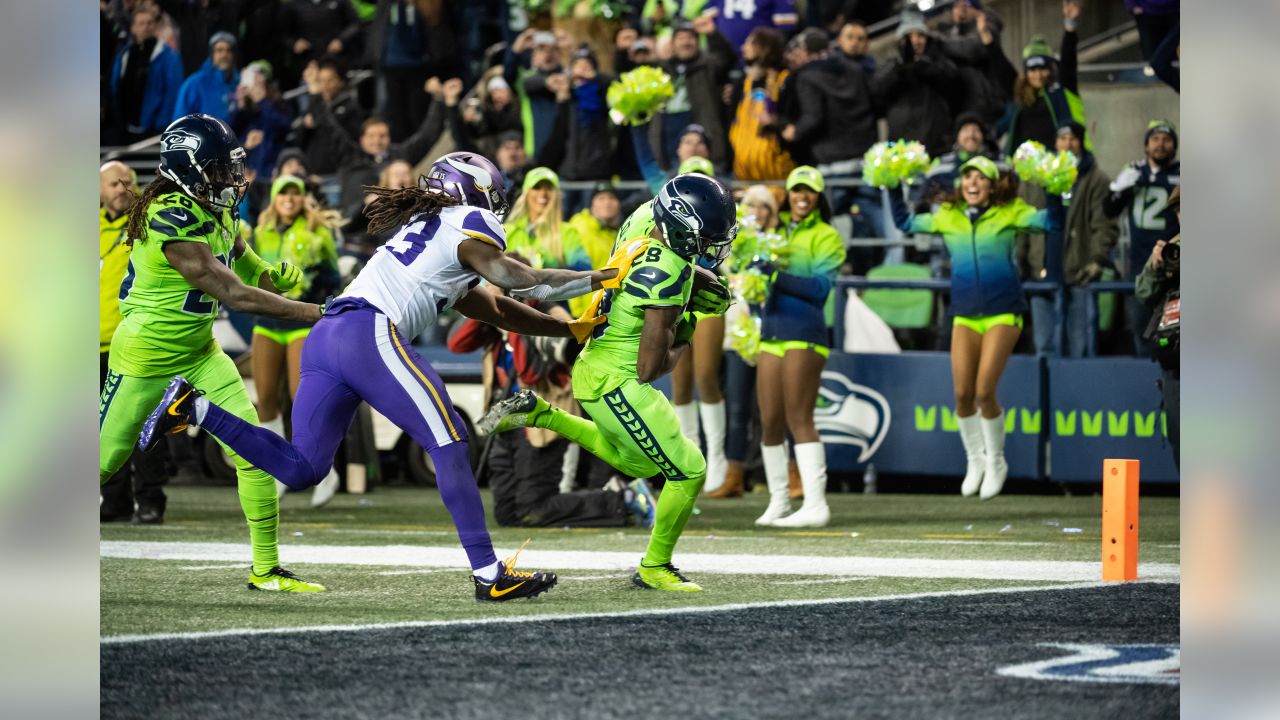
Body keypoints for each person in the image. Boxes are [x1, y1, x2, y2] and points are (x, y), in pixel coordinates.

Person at [140, 151, 624, 602]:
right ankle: (489, 573)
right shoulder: (467, 222)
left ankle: (194, 408)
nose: (497, 203)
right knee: (450, 438)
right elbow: (522, 280)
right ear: (471, 193)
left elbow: (501, 309)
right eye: (492, 192)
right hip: (367, 332)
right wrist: (605, 277)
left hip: (328, 337)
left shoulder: (434, 233)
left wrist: (567, 327)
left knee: (302, 468)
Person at [479, 173, 738, 592]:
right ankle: (655, 566)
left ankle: (542, 414)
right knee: (689, 471)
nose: (714, 244)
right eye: (706, 235)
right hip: (617, 379)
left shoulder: (642, 219)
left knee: (637, 463)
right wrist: (689, 323)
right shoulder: (669, 273)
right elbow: (650, 369)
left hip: (596, 363)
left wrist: (691, 283)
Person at [101, 114, 326, 592]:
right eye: (220, 169)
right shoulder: (169, 214)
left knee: (252, 450)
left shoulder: (213, 204)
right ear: (187, 168)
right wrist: (312, 312)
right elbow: (232, 292)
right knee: (103, 462)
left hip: (200, 350)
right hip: (145, 355)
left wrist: (269, 271)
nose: (231, 179)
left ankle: (266, 569)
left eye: (231, 168)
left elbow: (239, 253)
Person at [892, 156, 1063, 499]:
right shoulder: (948, 216)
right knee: (961, 394)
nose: (972, 182)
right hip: (965, 313)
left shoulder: (1010, 211)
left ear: (991, 184)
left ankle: (997, 460)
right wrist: (892, 182)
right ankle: (976, 459)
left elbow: (1052, 221)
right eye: (966, 176)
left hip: (1004, 312)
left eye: (979, 177)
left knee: (985, 391)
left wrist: (1054, 186)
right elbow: (905, 223)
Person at [447, 280, 656, 529]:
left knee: (532, 509)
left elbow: (529, 370)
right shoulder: (489, 322)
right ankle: (615, 502)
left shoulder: (549, 314)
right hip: (505, 424)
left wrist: (512, 312)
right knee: (508, 514)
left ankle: (624, 498)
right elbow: (456, 344)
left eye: (493, 284)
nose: (486, 289)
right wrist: (485, 306)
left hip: (540, 424)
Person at [750, 167, 845, 527]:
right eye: (796, 191)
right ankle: (779, 501)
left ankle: (817, 504)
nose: (802, 196)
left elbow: (820, 290)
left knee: (798, 418)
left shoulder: (827, 236)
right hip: (772, 333)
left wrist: (775, 274)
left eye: (809, 191)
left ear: (819, 197)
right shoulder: (775, 231)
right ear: (788, 195)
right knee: (770, 423)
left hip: (805, 333)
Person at [249, 176, 342, 506]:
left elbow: (334, 278)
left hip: (301, 322)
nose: (289, 198)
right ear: (274, 199)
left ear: (303, 199)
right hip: (266, 323)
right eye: (282, 193)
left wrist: (324, 313)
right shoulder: (259, 233)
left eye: (295, 193)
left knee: (301, 398)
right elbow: (249, 278)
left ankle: (325, 472)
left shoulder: (319, 235)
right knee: (266, 400)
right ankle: (279, 472)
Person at [100, 161, 171, 523]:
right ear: (99, 189)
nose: (121, 188)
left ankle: (150, 499)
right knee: (101, 430)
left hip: (138, 343)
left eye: (127, 181)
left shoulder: (150, 223)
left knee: (145, 425)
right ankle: (113, 502)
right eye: (113, 183)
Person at [705, 184, 781, 499]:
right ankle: (734, 475)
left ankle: (775, 475)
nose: (757, 212)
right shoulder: (730, 247)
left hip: (774, 335)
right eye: (752, 205)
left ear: (773, 214)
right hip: (737, 336)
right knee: (737, 407)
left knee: (772, 408)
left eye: (765, 206)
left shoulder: (780, 246)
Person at [1024, 122, 1118, 357]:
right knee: (1044, 345)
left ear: (1081, 142)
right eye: (1063, 138)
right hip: (1042, 272)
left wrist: (1096, 259)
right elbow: (1023, 220)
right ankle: (1045, 394)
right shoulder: (1037, 178)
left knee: (1080, 345)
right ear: (1055, 144)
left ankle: (1080, 395)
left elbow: (1104, 225)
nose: (1068, 143)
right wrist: (1021, 260)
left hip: (1080, 275)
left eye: (1073, 138)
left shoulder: (1096, 179)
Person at [1104, 120, 1180, 355]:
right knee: (1141, 329)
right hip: (1140, 265)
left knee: (1174, 329)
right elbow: (1108, 210)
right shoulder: (1134, 172)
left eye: (1166, 139)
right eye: (1155, 139)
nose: (1160, 145)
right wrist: (1119, 189)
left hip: (1175, 264)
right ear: (1146, 145)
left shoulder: (1182, 174)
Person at [998, 1, 1087, 156]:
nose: (1038, 75)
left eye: (1043, 69)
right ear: (1025, 72)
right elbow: (999, 66)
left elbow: (1068, 63)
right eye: (1032, 70)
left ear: (1051, 69)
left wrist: (1070, 26)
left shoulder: (1062, 90)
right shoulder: (1018, 97)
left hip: (1060, 163)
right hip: (1024, 167)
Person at [871, 10, 960, 157]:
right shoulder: (891, 66)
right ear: (900, 40)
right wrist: (901, 68)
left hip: (936, 148)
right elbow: (877, 90)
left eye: (920, 35)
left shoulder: (939, 63)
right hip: (901, 150)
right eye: (909, 36)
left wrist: (922, 65)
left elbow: (952, 83)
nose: (916, 41)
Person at [1134, 186, 1179, 468]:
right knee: (1179, 432)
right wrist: (1154, 266)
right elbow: (1143, 293)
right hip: (1175, 352)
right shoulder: (1174, 247)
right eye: (1179, 209)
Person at [728, 27, 796, 184]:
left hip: (777, 178)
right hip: (743, 178)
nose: (743, 47)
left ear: (765, 48)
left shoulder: (786, 80)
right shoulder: (742, 83)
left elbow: (797, 120)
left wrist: (776, 121)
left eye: (750, 43)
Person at [108, 7, 184, 142]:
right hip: (125, 129)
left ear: (155, 26)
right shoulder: (124, 55)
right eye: (141, 23)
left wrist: (160, 124)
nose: (146, 27)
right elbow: (115, 89)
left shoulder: (169, 57)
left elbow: (173, 93)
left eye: (149, 23)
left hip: (154, 131)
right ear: (133, 28)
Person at [502, 167, 580, 274]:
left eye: (549, 188)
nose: (543, 194)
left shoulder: (567, 232)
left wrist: (542, 267)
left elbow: (583, 267)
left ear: (557, 195)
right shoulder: (506, 231)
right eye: (536, 187)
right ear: (526, 193)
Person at [297, 58, 367, 175]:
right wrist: (305, 126)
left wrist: (315, 96)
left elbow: (331, 129)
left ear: (340, 81)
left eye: (330, 80)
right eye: (321, 81)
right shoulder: (315, 105)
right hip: (314, 173)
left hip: (338, 173)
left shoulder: (350, 107)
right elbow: (300, 141)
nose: (325, 86)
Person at [172, 32, 240, 123]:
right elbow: (179, 121)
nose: (224, 55)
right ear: (212, 54)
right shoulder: (195, 83)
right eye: (219, 50)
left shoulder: (239, 82)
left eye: (229, 50)